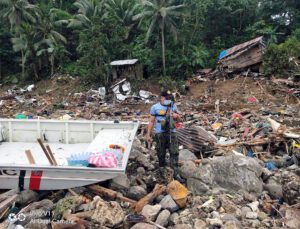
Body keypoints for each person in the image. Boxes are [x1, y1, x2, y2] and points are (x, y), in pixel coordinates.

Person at [147, 91, 184, 182]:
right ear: (162, 98)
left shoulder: (173, 106)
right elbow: (151, 121)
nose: (168, 100)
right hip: (160, 133)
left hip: (172, 133)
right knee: (161, 153)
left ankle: (175, 174)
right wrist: (148, 134)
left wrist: (176, 116)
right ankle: (162, 173)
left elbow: (180, 119)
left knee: (174, 153)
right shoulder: (155, 107)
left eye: (169, 98)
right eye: (166, 98)